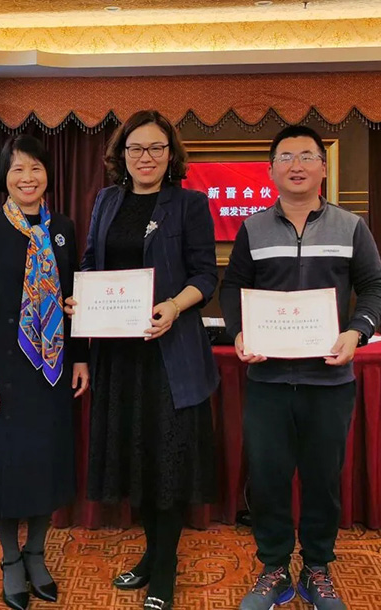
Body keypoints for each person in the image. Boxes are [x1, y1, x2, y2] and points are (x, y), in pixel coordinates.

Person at [220, 125, 381, 610]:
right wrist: (240, 332)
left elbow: (375, 287)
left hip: (328, 379)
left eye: (307, 156)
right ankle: (274, 568)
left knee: (322, 480)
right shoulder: (253, 228)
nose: (296, 165)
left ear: (323, 167)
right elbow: (232, 287)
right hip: (268, 379)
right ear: (271, 170)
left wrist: (356, 331)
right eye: (286, 157)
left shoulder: (350, 226)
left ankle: (317, 568)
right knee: (268, 479)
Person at [65, 110, 219, 610]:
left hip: (168, 354)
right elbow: (91, 262)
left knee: (166, 463)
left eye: (155, 148)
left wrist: (174, 306)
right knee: (138, 459)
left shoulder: (190, 204)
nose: (145, 157)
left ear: (171, 155)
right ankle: (152, 555)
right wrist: (82, 298)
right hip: (119, 354)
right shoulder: (107, 200)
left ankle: (165, 571)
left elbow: (205, 275)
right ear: (122, 155)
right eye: (135, 148)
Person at [0, 135, 90, 610]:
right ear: (5, 178)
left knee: (45, 463)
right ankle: (11, 559)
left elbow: (76, 298)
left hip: (53, 368)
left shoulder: (64, 228)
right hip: (4, 371)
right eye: (17, 169)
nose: (28, 177)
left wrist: (80, 356)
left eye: (35, 167)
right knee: (5, 467)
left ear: (47, 174)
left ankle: (37, 552)